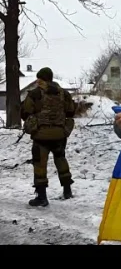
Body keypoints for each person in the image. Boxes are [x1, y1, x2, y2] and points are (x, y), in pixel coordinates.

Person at [21, 67, 76, 207]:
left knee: (40, 164)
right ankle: (67, 190)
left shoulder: (35, 93)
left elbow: (25, 111)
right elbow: (71, 111)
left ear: (41, 78)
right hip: (59, 134)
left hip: (41, 135)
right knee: (61, 159)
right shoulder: (63, 93)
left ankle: (42, 197)